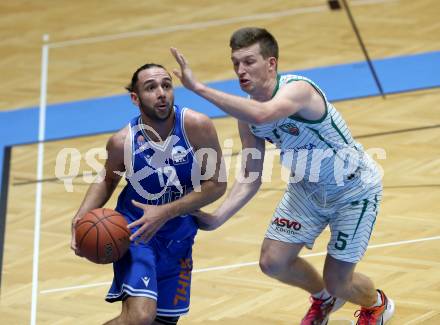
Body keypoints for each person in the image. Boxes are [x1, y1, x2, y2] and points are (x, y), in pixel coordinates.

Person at [170, 27, 395, 325]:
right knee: (272, 262)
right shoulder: (246, 114)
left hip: (353, 191)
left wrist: (198, 88)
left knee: (340, 280)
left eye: (249, 61)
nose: (240, 70)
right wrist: (217, 218)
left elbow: (266, 114)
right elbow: (251, 175)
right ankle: (325, 298)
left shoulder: (298, 90)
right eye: (236, 62)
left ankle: (377, 305)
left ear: (271, 63)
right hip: (307, 190)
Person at [70, 63, 226, 325]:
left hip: (179, 237)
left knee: (159, 323)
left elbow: (216, 184)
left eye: (166, 85)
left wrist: (165, 212)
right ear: (135, 98)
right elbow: (108, 178)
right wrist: (80, 217)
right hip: (135, 233)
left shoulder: (198, 126)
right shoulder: (123, 142)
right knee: (141, 317)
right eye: (151, 87)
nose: (161, 92)